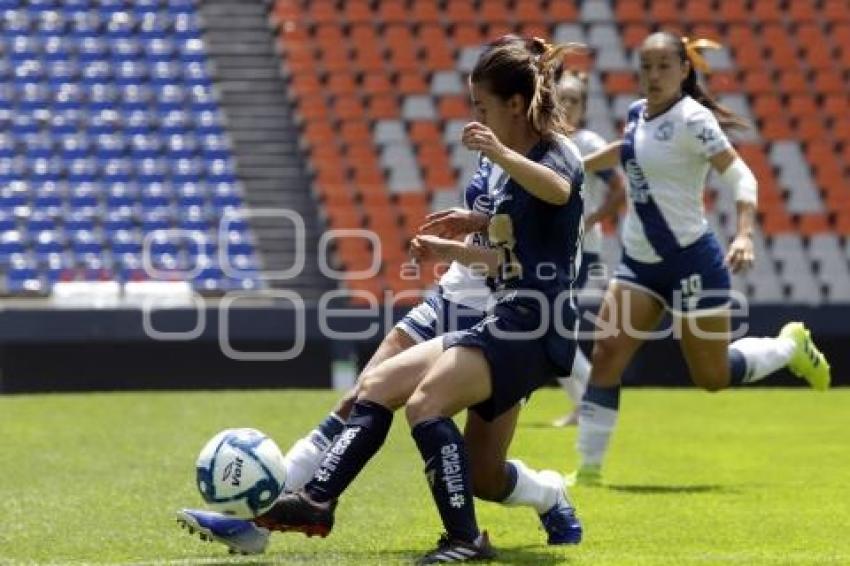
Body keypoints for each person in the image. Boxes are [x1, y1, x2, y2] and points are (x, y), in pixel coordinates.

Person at [177, 36, 585, 557]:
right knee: (381, 389)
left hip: (526, 324)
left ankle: (466, 537)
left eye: (482, 106)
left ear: (511, 104)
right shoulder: (508, 163)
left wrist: (498, 157)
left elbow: (559, 192)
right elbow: (511, 254)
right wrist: (459, 239)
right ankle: (310, 502)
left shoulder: (547, 154)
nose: (475, 117)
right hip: (491, 311)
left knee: (426, 408)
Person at [572, 32, 831, 486]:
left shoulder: (694, 119)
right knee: (607, 352)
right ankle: (589, 472)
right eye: (646, 66)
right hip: (639, 262)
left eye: (663, 67)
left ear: (684, 70)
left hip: (691, 260)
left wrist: (745, 234)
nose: (653, 76)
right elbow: (627, 151)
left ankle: (790, 346)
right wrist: (576, 164)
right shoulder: (636, 113)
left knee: (711, 377)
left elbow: (741, 177)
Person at [551, 69, 626, 427]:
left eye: (574, 100)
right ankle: (588, 404)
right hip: (550, 249)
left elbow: (620, 190)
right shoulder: (546, 141)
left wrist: (591, 220)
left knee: (551, 328)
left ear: (584, 107)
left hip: (579, 250)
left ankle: (592, 401)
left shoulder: (589, 143)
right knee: (549, 329)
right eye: (561, 97)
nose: (567, 106)